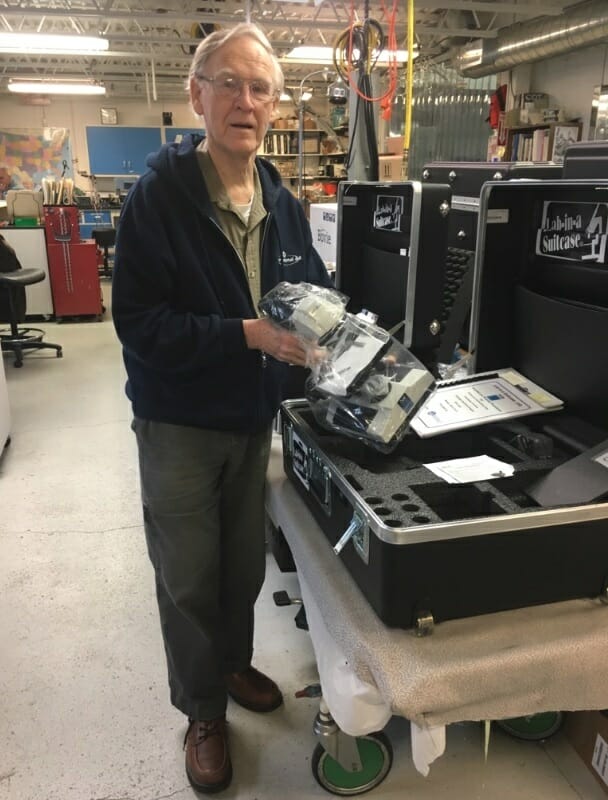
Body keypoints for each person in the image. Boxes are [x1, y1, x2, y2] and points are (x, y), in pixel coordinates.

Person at [111, 22, 331, 795]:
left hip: (252, 420)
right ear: (197, 94)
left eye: (260, 87)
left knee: (240, 567)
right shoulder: (158, 200)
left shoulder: (284, 201)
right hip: (178, 423)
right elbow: (139, 326)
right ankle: (203, 710)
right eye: (229, 83)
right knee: (188, 576)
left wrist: (325, 342)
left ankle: (233, 665)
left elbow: (310, 299)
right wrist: (244, 335)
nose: (246, 100)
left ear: (275, 106)